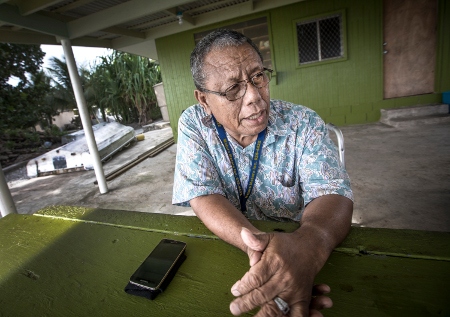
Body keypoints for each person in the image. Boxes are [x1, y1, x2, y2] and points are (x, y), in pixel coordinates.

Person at [172, 29, 353, 316]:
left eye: (258, 76)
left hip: (300, 240)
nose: (255, 97)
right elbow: (202, 195)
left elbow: (334, 193)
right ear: (204, 100)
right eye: (233, 89)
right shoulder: (194, 124)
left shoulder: (303, 122)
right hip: (238, 249)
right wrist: (267, 254)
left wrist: (309, 246)